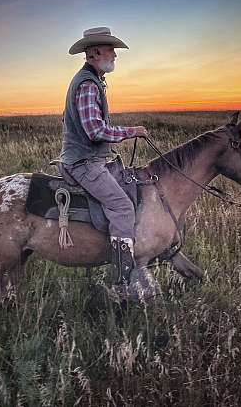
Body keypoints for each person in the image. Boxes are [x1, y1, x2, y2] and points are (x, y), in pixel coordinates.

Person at [57, 27, 148, 300]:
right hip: (84, 163)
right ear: (95, 52)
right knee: (122, 207)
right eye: (110, 49)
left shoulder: (92, 80)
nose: (115, 55)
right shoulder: (87, 84)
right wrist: (131, 131)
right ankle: (122, 284)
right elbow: (95, 131)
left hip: (91, 159)